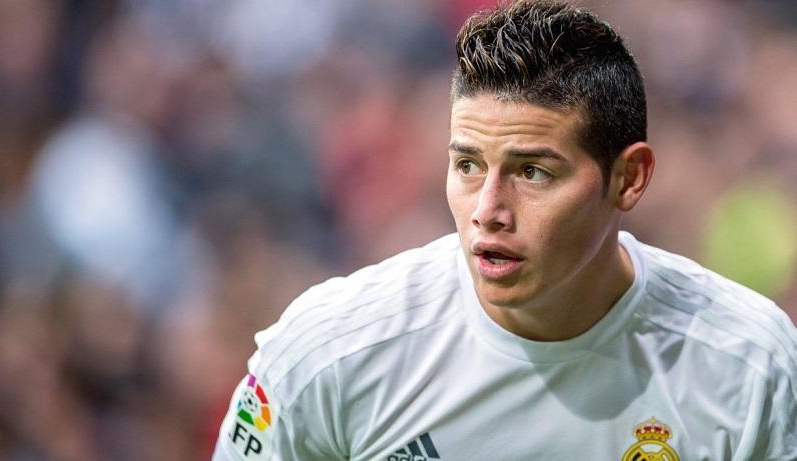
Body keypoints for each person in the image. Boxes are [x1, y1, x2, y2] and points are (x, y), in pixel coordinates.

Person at [211, 1, 797, 460]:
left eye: (533, 172)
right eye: (467, 165)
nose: (487, 210)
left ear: (628, 178)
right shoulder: (329, 354)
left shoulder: (751, 366)